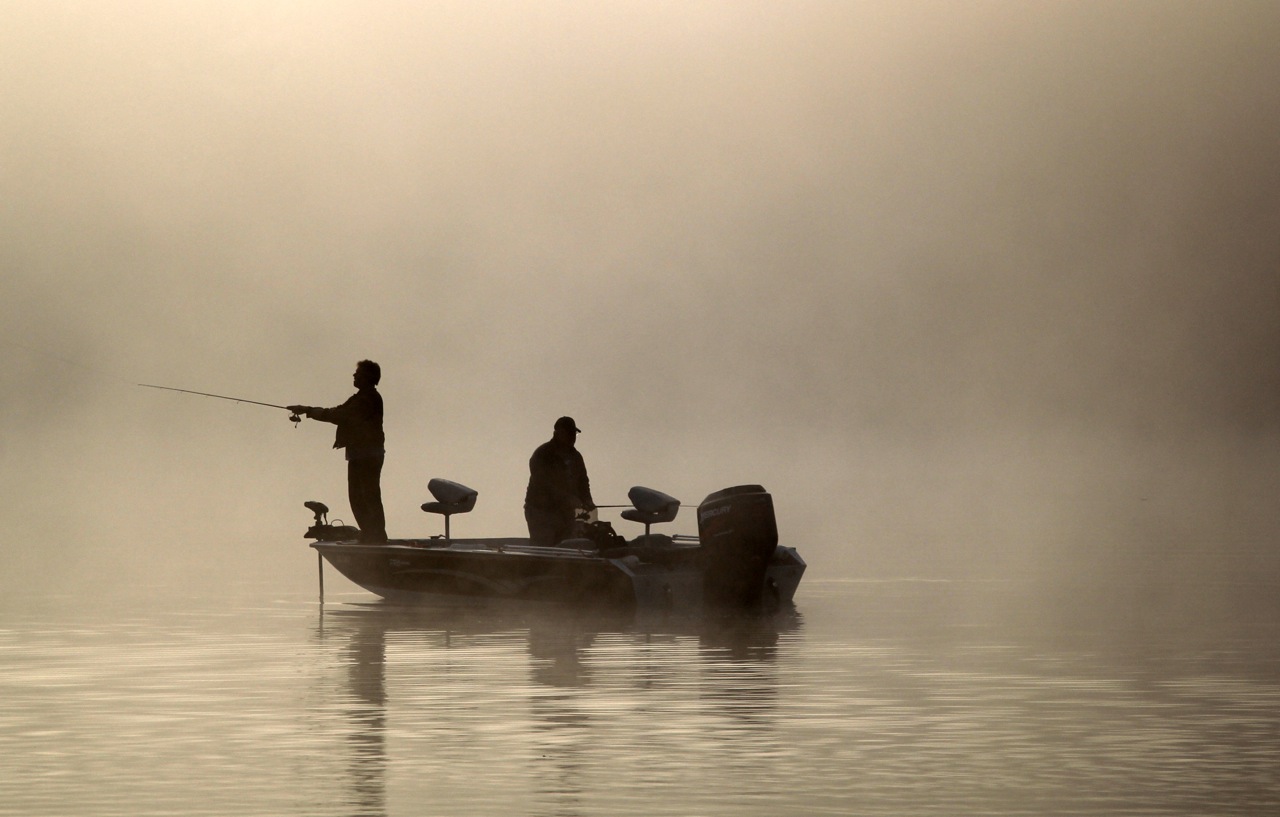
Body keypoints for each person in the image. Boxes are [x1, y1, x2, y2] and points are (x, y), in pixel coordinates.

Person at [289, 360, 387, 542]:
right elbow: (338, 411)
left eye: (358, 373)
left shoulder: (367, 399)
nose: (354, 376)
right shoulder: (361, 397)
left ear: (367, 377)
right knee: (360, 497)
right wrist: (307, 410)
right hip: (361, 454)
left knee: (365, 497)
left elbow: (340, 415)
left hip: (367, 455)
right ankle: (372, 535)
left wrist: (309, 411)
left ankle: (375, 537)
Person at [524, 416, 595, 547]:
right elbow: (543, 484)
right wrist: (567, 498)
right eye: (570, 433)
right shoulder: (542, 454)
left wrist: (587, 500)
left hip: (566, 514)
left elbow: (583, 482)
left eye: (574, 434)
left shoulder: (576, 457)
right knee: (543, 549)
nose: (573, 437)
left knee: (565, 547)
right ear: (558, 433)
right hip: (541, 512)